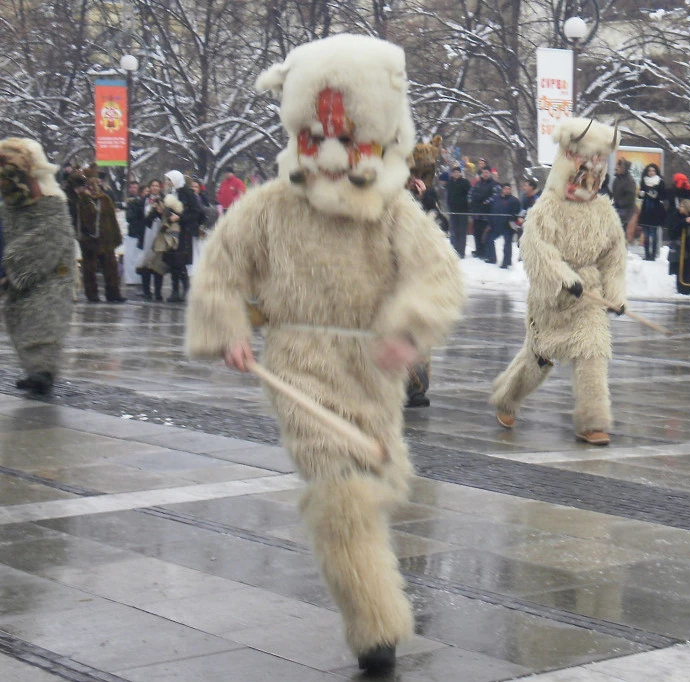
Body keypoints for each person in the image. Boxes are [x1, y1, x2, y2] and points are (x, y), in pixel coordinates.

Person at [186, 34, 464, 675]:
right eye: (317, 139)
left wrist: (407, 328)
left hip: (371, 371)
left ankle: (373, 604)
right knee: (339, 493)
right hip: (299, 362)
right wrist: (226, 327)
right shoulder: (268, 207)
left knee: (367, 482)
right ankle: (376, 629)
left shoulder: (393, 210)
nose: (333, 155)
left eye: (349, 140)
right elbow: (221, 267)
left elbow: (440, 276)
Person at [491, 118, 626, 446]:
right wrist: (563, 278)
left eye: (597, 170)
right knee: (539, 359)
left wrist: (616, 295)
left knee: (593, 351)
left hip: (589, 296)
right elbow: (536, 249)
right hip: (552, 298)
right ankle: (507, 398)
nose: (590, 177)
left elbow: (614, 257)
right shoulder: (547, 207)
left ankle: (592, 421)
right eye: (585, 168)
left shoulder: (604, 212)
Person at [0, 138, 76, 395]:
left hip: (54, 273)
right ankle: (36, 369)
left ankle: (42, 371)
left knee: (45, 316)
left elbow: (53, 236)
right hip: (21, 276)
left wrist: (13, 262)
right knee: (19, 317)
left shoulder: (51, 204)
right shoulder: (9, 208)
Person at [69, 173, 124, 303]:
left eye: (95, 185)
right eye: (90, 185)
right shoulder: (81, 200)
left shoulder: (105, 199)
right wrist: (85, 197)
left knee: (111, 267)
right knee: (90, 269)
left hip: (106, 238)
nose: (93, 188)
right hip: (88, 240)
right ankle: (92, 294)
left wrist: (115, 236)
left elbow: (112, 219)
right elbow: (87, 217)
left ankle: (113, 293)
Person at [163, 170, 205, 302]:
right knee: (173, 261)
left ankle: (186, 289)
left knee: (180, 260)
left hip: (184, 231)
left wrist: (180, 218)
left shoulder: (187, 193)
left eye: (170, 180)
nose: (169, 183)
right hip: (173, 231)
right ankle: (175, 290)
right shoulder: (172, 193)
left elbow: (196, 213)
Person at [140, 180, 166, 301]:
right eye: (153, 186)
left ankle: (158, 291)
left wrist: (160, 212)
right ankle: (146, 291)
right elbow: (142, 217)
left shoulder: (164, 200)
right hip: (147, 233)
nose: (155, 188)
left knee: (158, 263)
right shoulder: (144, 200)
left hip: (159, 233)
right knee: (146, 262)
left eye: (157, 186)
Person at [487, 183, 522, 268]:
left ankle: (506, 262)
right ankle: (492, 258)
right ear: (502, 189)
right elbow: (491, 210)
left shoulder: (514, 200)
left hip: (508, 226)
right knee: (489, 239)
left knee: (507, 244)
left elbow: (517, 213)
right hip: (496, 225)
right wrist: (490, 222)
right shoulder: (495, 199)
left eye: (508, 189)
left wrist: (513, 221)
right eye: (505, 189)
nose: (507, 190)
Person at [637, 164, 667, 261]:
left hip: (655, 210)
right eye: (649, 170)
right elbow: (640, 195)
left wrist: (654, 194)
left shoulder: (660, 182)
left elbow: (663, 196)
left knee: (654, 234)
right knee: (646, 234)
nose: (651, 172)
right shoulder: (644, 181)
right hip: (646, 209)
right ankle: (647, 254)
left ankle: (653, 255)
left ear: (656, 172)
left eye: (653, 170)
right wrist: (641, 194)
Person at [468, 166, 499, 258]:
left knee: (485, 234)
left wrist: (486, 202)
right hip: (477, 213)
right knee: (476, 233)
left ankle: (486, 252)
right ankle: (479, 251)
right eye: (483, 172)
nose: (485, 174)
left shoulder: (494, 184)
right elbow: (470, 194)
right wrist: (471, 201)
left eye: (487, 172)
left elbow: (496, 197)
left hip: (487, 214)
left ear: (490, 173)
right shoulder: (477, 184)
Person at [445, 166, 471, 257]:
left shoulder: (465, 182)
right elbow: (448, 196)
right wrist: (448, 206)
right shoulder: (449, 183)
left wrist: (468, 206)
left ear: (460, 173)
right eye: (454, 172)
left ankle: (461, 251)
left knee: (462, 232)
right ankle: (453, 250)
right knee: (453, 231)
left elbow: (469, 195)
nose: (456, 174)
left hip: (463, 211)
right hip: (453, 211)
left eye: (457, 172)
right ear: (452, 174)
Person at [611, 158, 637, 236]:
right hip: (616, 207)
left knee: (621, 231)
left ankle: (622, 242)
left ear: (623, 168)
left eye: (619, 167)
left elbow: (630, 196)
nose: (616, 168)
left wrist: (619, 203)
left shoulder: (629, 180)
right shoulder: (617, 179)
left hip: (625, 209)